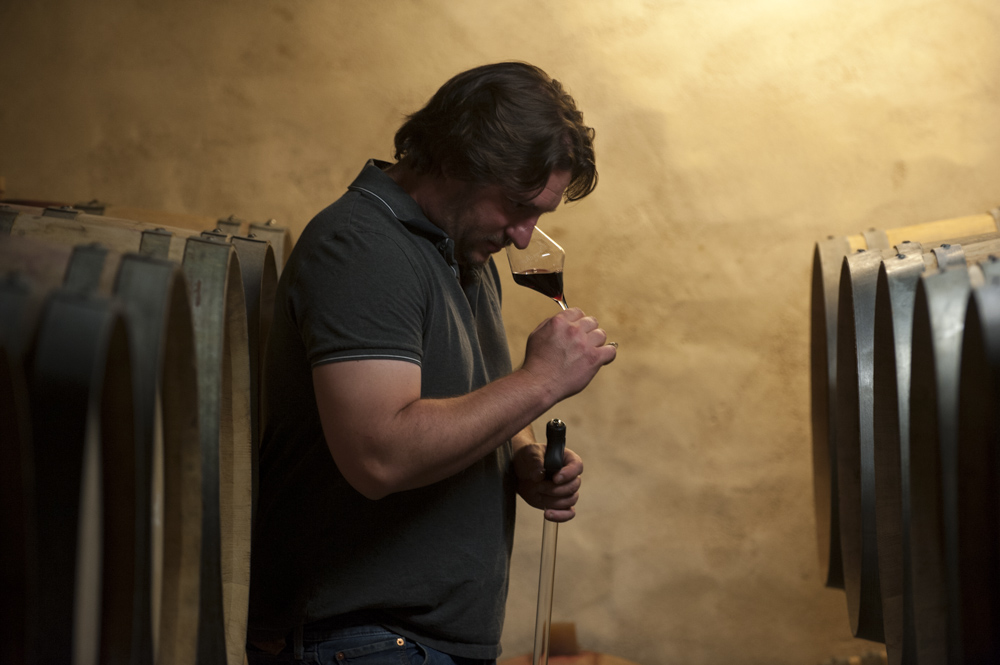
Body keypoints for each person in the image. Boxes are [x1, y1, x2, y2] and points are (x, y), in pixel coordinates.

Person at [247, 61, 615, 665]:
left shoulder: (462, 255)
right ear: (460, 162)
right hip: (364, 638)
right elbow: (379, 454)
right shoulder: (363, 248)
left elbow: (478, 393)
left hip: (414, 641)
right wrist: (542, 381)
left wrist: (521, 456)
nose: (525, 237)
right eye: (519, 207)